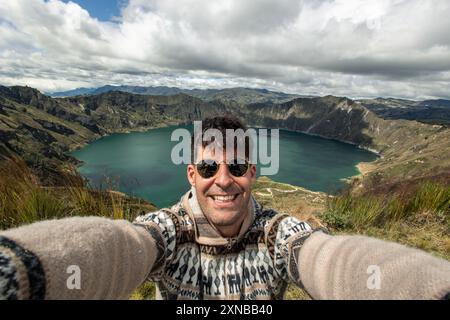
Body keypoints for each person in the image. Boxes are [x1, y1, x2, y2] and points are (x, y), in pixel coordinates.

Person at [0, 115, 449, 300]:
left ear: (253, 172)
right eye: (209, 166)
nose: (224, 179)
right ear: (191, 174)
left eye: (236, 165)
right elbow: (118, 247)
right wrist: (19, 272)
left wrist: (429, 288)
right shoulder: (168, 231)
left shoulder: (277, 234)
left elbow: (328, 259)